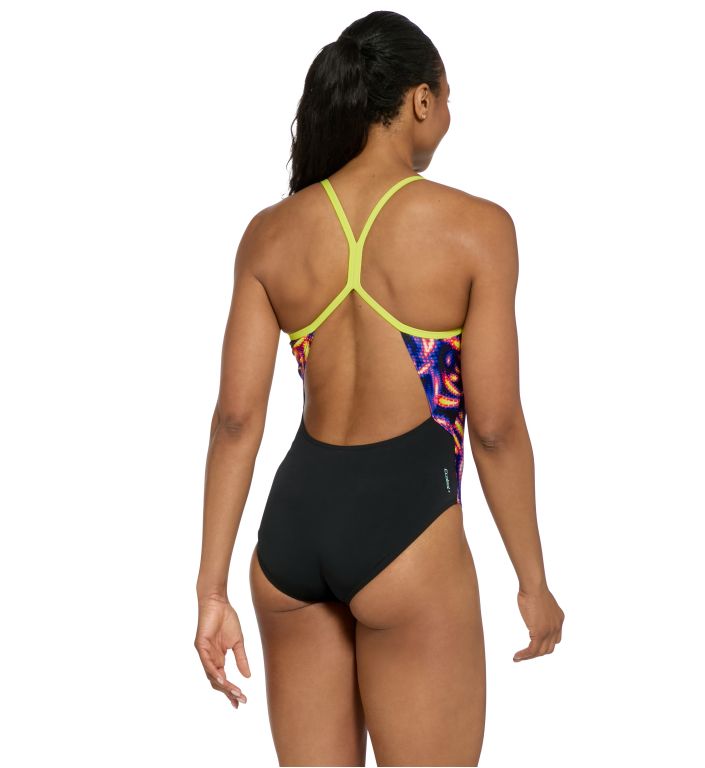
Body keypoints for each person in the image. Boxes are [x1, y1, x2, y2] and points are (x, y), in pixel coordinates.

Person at [195, 10, 564, 766]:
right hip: (408, 533)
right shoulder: (476, 228)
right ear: (421, 100)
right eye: (448, 98)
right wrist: (533, 581)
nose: (449, 115)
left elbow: (235, 420)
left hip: (291, 536)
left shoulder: (270, 233)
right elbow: (494, 428)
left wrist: (212, 589)